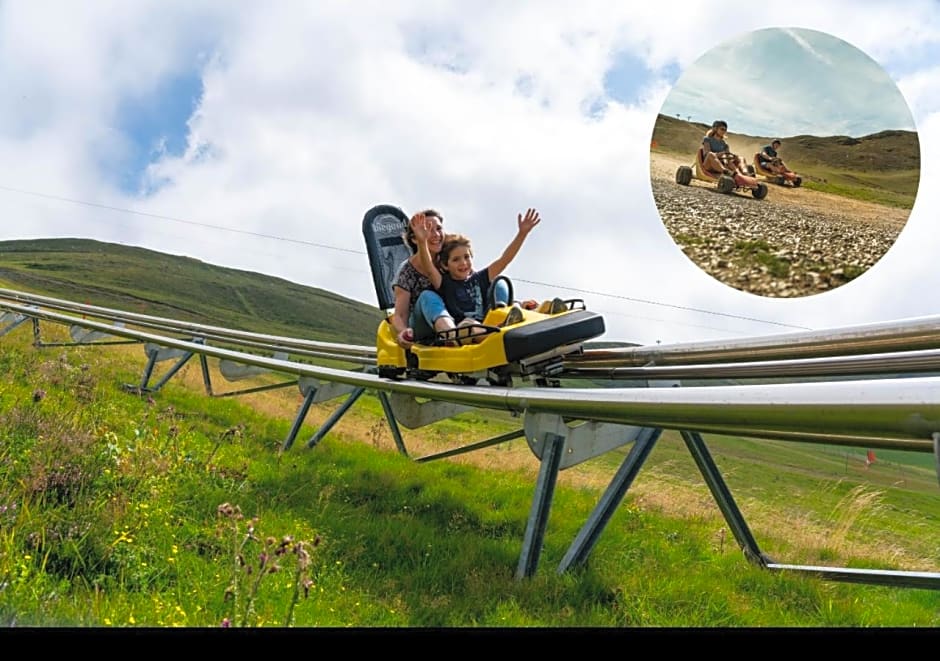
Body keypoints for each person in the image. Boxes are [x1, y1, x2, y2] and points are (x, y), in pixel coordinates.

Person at [419, 208, 542, 343]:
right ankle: (496, 335)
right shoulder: (445, 283)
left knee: (504, 291)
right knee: (468, 325)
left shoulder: (479, 278)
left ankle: (539, 312)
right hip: (466, 332)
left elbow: (504, 260)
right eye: (456, 259)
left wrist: (522, 234)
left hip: (488, 324)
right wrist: (422, 241)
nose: (463, 263)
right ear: (445, 265)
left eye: (466, 257)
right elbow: (430, 269)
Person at [389, 209, 457, 350]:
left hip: (454, 316)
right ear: (415, 239)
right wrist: (402, 332)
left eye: (439, 229)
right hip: (422, 326)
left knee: (494, 283)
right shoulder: (406, 271)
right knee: (428, 296)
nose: (436, 235)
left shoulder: (450, 260)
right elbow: (400, 314)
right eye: (428, 230)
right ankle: (452, 336)